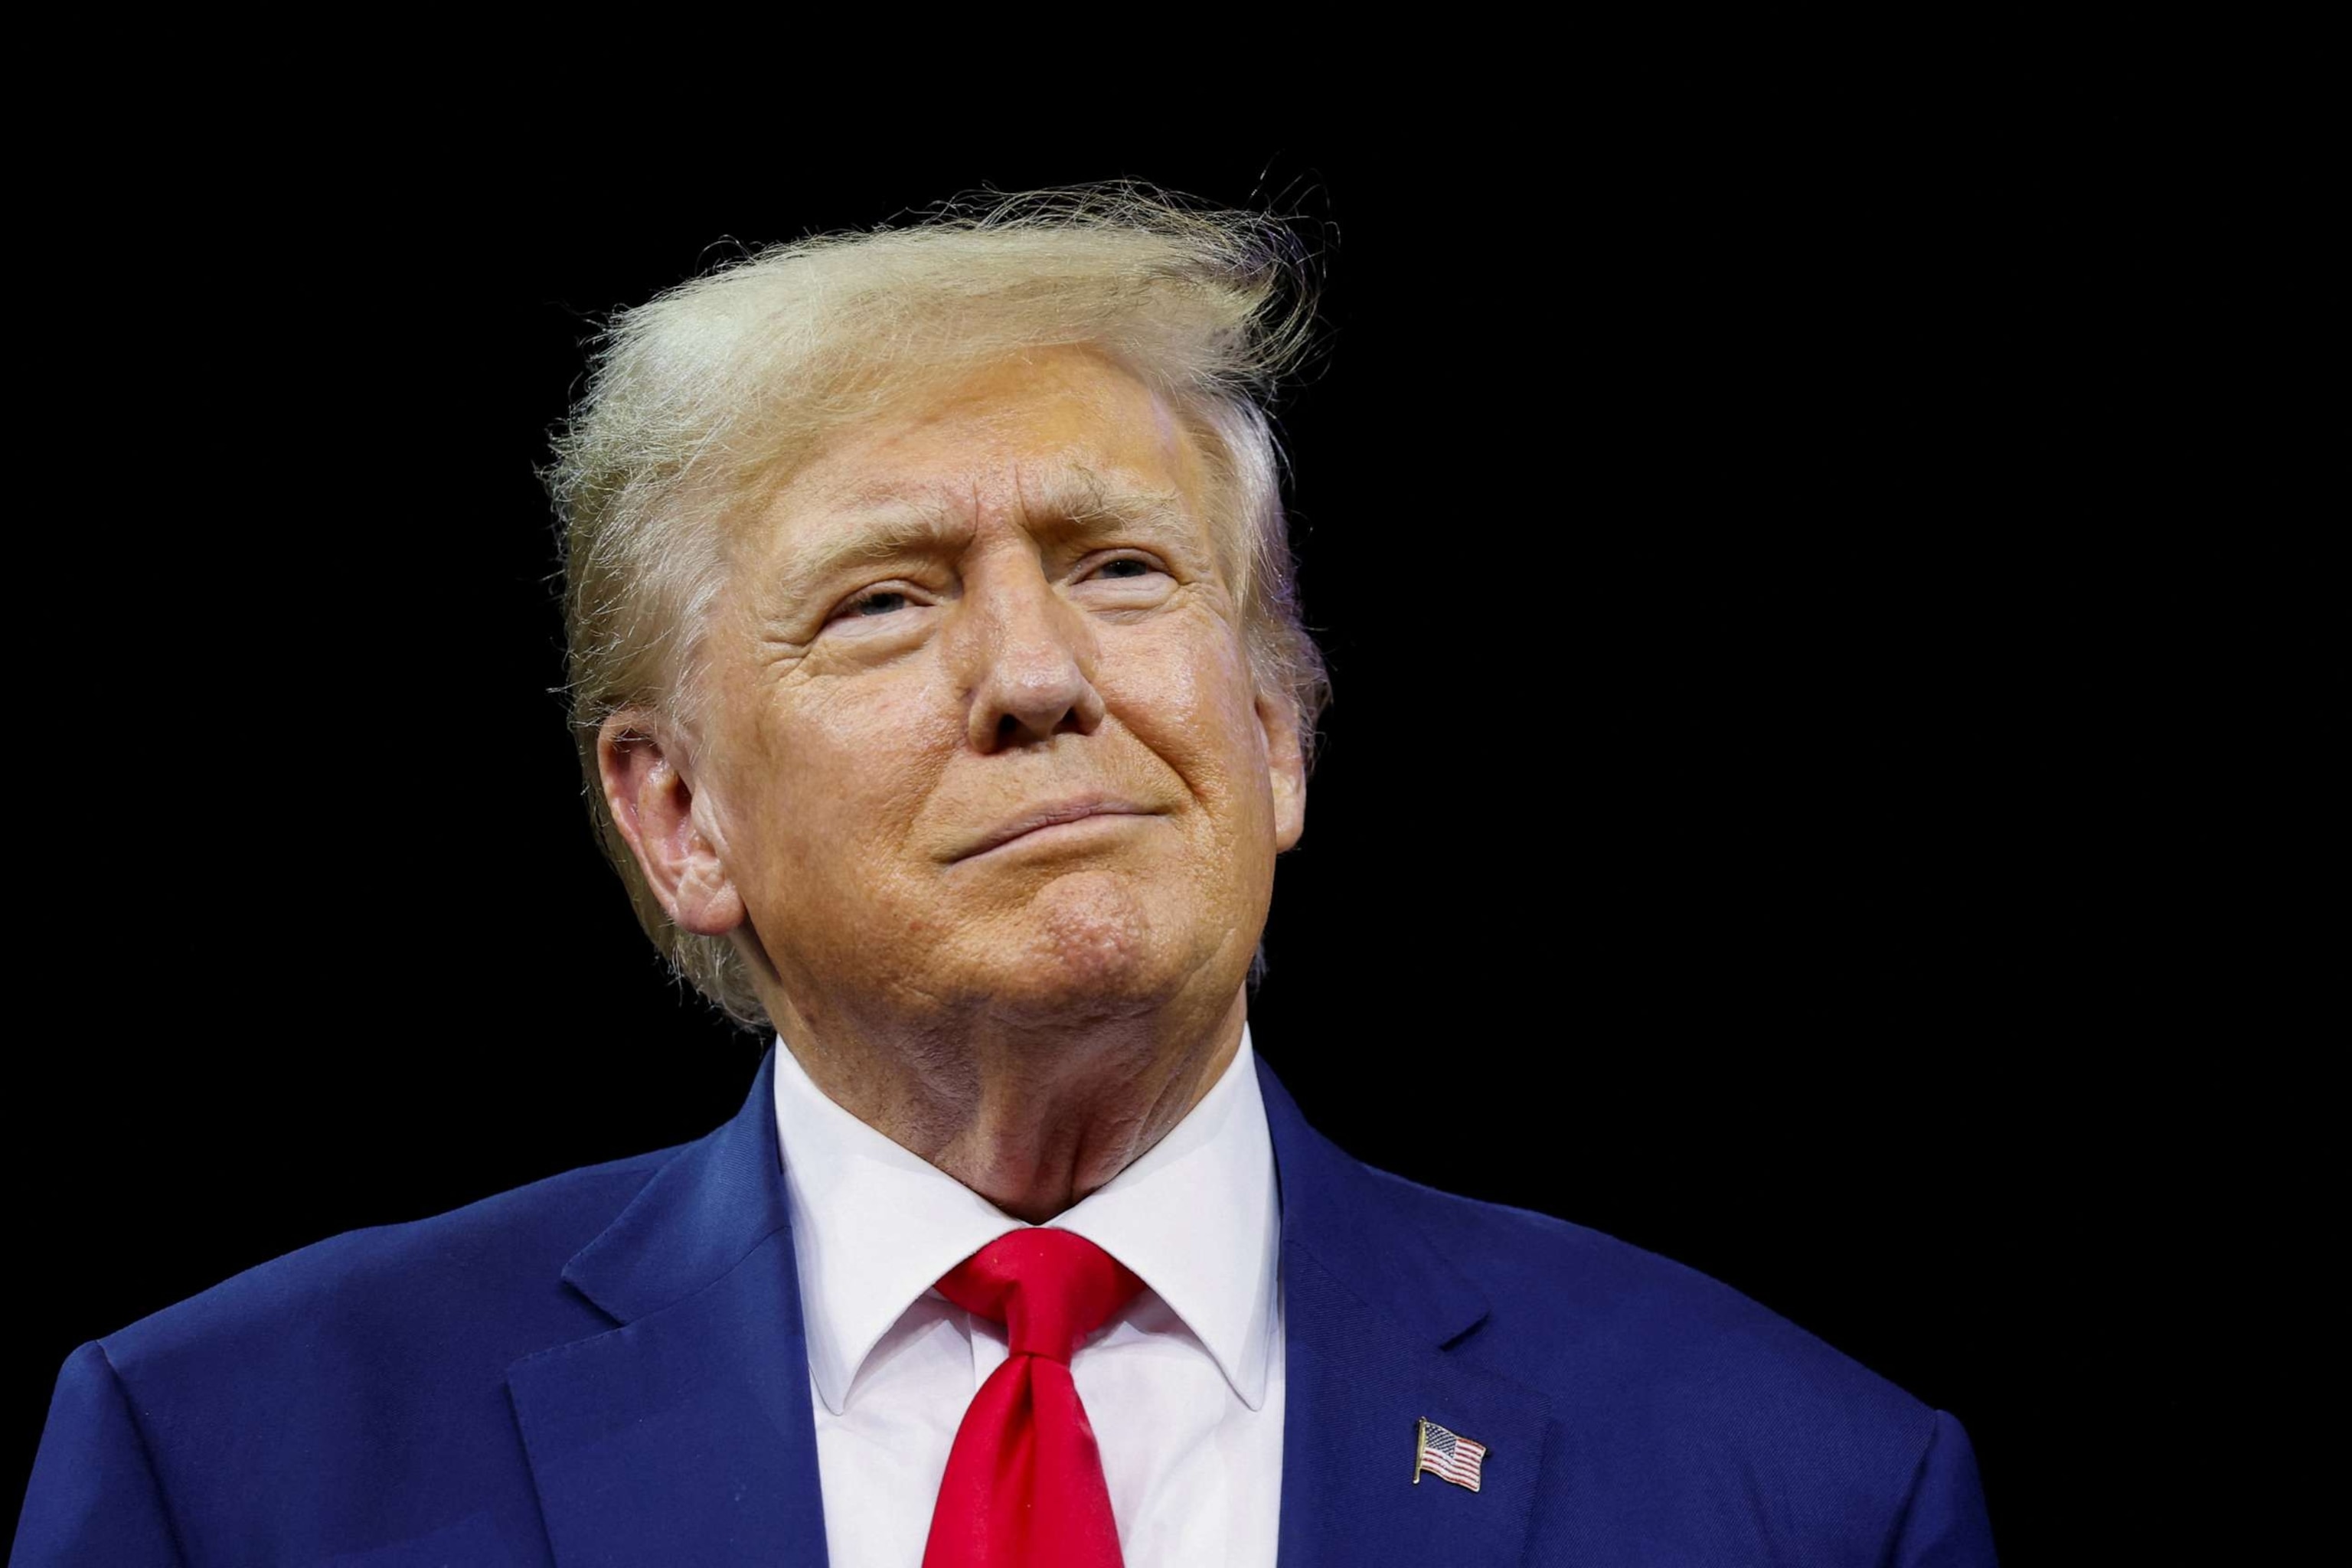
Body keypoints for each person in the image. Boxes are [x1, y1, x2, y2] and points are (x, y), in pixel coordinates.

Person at [13, 186, 1999, 1566]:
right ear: (677, 818)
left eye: (1123, 568)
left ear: (1281, 731)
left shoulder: (1799, 1484)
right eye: (885, 605)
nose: (1040, 679)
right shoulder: (234, 1469)